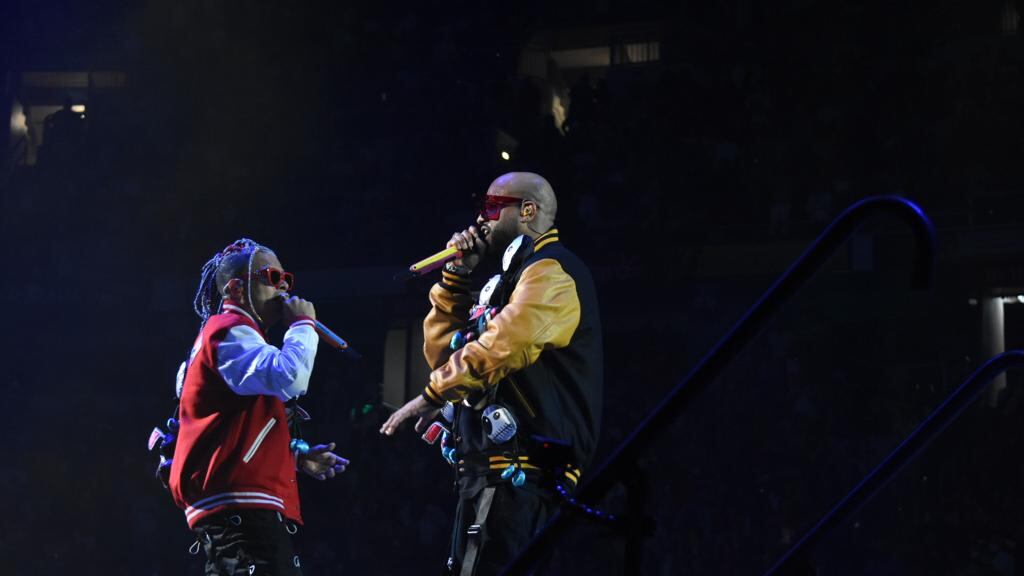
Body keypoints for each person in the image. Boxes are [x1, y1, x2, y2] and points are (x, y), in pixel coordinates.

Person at [381, 172, 603, 575]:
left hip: (521, 474)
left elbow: (506, 344)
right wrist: (456, 277)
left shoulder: (552, 271)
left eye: (490, 207)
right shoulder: (510, 281)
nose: (480, 219)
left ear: (528, 211)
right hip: (488, 474)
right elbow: (445, 357)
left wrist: (432, 395)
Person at [170, 238, 349, 575]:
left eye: (287, 279)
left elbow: (231, 427)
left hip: (239, 514)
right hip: (240, 517)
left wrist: (291, 456)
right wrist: (302, 325)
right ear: (236, 289)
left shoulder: (236, 338)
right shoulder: (228, 332)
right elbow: (289, 377)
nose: (284, 286)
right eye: (272, 276)